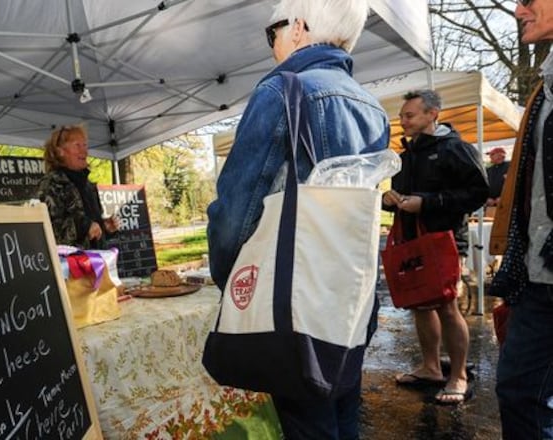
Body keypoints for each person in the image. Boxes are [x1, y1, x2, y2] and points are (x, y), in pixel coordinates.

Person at [206, 0, 389, 437]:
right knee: (344, 406)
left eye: (273, 32)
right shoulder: (371, 105)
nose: (272, 44)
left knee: (307, 421)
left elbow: (236, 211)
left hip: (295, 299)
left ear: (300, 29)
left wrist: (228, 276)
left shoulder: (282, 91)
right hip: (350, 294)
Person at [382, 89, 488, 405]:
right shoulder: (405, 155)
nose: (402, 121)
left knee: (446, 305)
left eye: (409, 115)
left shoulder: (456, 149)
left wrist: (428, 203)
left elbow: (478, 193)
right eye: (402, 116)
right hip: (414, 241)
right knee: (420, 304)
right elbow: (402, 199)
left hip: (446, 240)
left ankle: (458, 376)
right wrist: (391, 201)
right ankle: (431, 368)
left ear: (433, 114)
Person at [490, 2, 553, 437]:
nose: (518, 9)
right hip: (539, 276)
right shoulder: (545, 85)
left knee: (522, 391)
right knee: (518, 391)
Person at [37, 125, 118, 249]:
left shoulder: (89, 186)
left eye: (85, 145)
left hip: (95, 263)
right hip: (68, 265)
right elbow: (48, 232)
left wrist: (104, 227)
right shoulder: (52, 184)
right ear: (60, 151)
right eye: (77, 145)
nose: (84, 151)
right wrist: (84, 227)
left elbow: (93, 230)